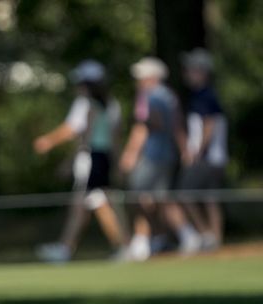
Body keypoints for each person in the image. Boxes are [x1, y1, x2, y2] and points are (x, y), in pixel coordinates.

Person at [33, 60, 128, 262]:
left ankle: (67, 249)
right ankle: (120, 245)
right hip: (104, 157)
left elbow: (81, 134)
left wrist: (60, 153)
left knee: (84, 204)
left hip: (92, 158)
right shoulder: (112, 104)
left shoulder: (87, 105)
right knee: (99, 203)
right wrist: (117, 162)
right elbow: (115, 137)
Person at [118, 57, 201, 261]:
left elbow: (145, 127)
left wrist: (130, 153)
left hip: (151, 155)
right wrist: (184, 150)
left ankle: (142, 242)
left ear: (152, 77)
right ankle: (180, 236)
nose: (138, 80)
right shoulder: (170, 96)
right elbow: (178, 126)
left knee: (138, 196)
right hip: (167, 156)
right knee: (161, 199)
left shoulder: (149, 97)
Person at [177, 48, 227, 250]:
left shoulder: (203, 96)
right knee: (210, 198)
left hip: (206, 157)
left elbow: (209, 124)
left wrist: (197, 151)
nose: (187, 73)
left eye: (190, 69)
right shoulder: (207, 94)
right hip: (216, 157)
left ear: (201, 71)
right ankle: (214, 238)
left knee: (184, 193)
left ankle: (207, 235)